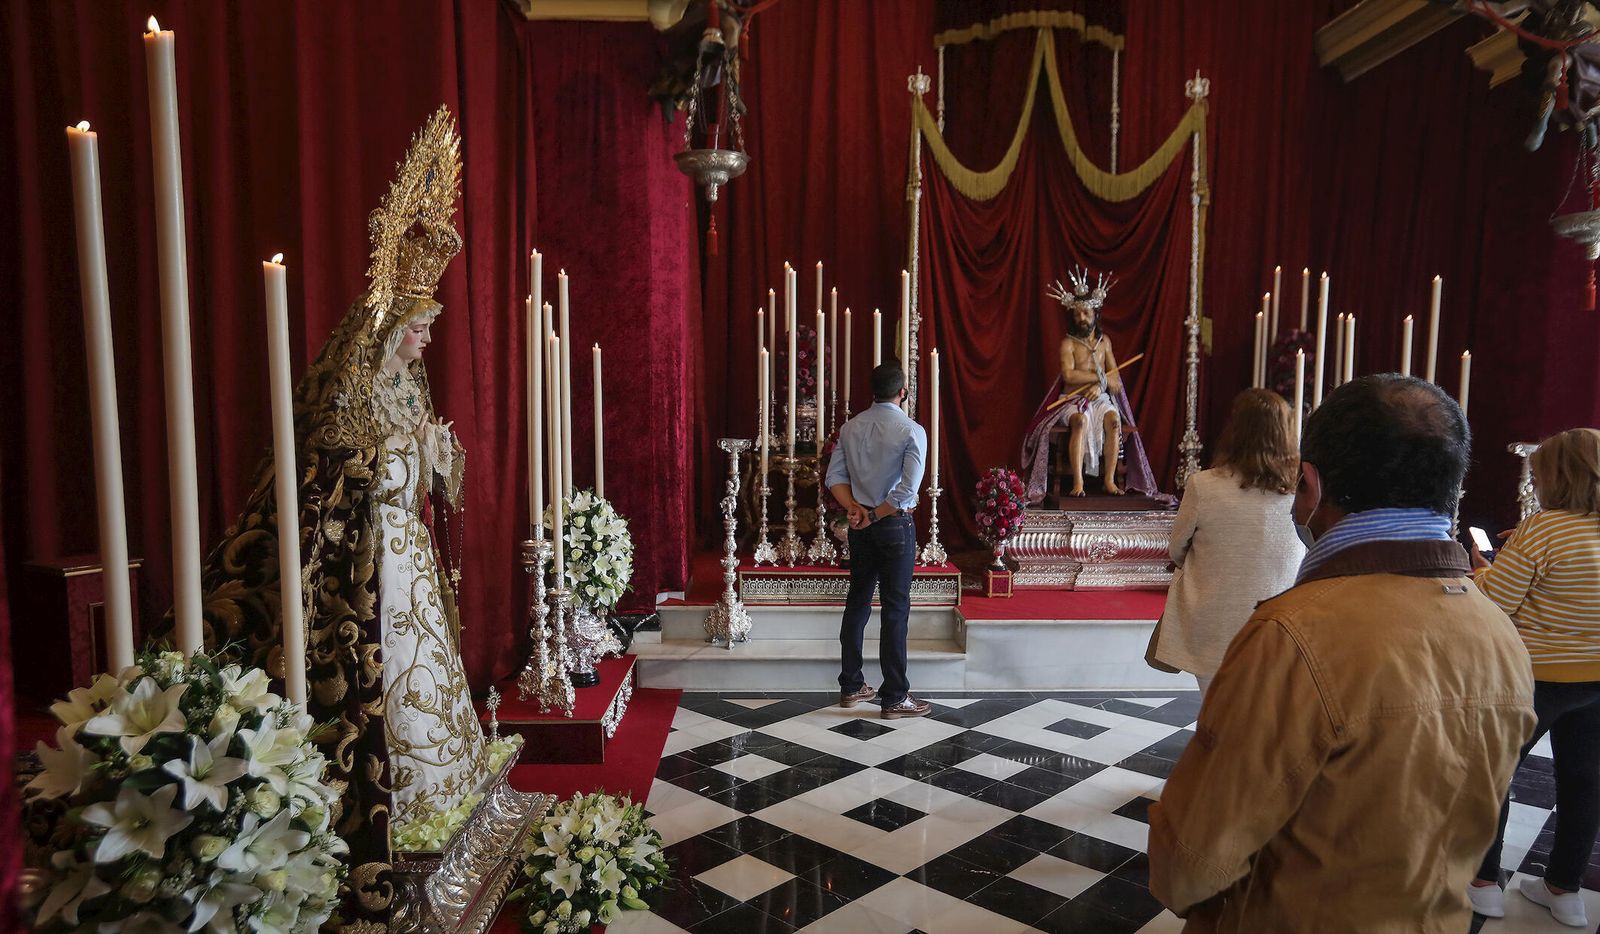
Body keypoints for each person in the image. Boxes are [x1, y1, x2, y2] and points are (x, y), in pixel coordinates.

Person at [159, 108, 490, 925]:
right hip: (374, 558)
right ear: (386, 330)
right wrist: (394, 457)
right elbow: (334, 473)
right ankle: (403, 808)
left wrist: (436, 456)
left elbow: (424, 471)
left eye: (427, 331)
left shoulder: (408, 386)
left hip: (407, 550)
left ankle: (446, 786)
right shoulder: (350, 385)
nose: (423, 346)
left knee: (429, 673)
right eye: (415, 331)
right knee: (392, 669)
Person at [1148, 374, 1535, 931]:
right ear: (1451, 484)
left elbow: (1192, 863)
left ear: (1309, 484)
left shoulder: (1292, 635)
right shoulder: (1501, 635)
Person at [1469, 427, 1600, 927]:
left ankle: (1483, 884)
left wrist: (1481, 567)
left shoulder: (1543, 528)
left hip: (1536, 677)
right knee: (1585, 782)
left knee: (1496, 773)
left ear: (1555, 477)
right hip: (1596, 680)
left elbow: (1497, 603)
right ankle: (1564, 890)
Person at [1151, 389, 1305, 698]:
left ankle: (1219, 739)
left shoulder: (1204, 485)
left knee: (1216, 702)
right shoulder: (1299, 489)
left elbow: (1177, 548)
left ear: (1235, 430)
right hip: (1279, 620)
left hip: (1214, 618)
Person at [825, 362, 929, 719]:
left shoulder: (851, 427)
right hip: (894, 524)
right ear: (903, 392)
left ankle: (852, 685)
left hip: (861, 525)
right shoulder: (911, 430)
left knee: (857, 602)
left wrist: (854, 507)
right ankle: (895, 696)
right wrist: (875, 512)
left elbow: (834, 478)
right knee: (895, 608)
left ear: (872, 390)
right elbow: (907, 490)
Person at [1019, 268, 1167, 504]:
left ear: (1095, 315)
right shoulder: (1068, 344)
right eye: (1078, 314)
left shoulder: (1104, 342)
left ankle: (1109, 480)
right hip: (1072, 399)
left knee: (1114, 420)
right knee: (1080, 421)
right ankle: (1078, 481)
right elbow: (1069, 375)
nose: (1082, 319)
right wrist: (1099, 379)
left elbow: (1115, 381)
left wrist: (1101, 387)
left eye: (1086, 313)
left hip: (1099, 398)